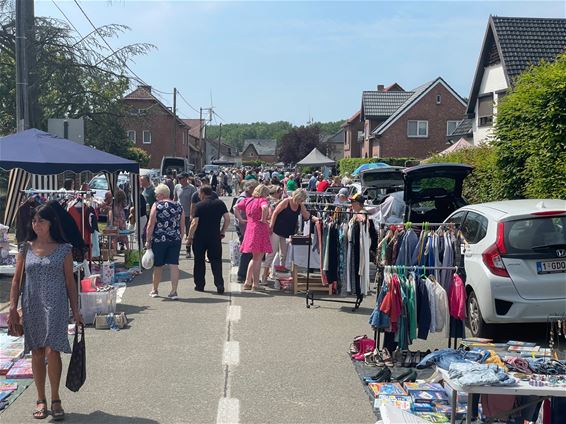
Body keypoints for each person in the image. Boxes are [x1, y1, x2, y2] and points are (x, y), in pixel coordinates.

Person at [7, 204, 84, 421]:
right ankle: (40, 398)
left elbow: (70, 282)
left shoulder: (64, 249)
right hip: (32, 304)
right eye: (34, 221)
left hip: (57, 304)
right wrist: (12, 307)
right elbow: (16, 280)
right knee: (37, 351)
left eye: (41, 220)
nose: (36, 224)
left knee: (53, 351)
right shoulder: (25, 248)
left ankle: (55, 397)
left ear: (51, 223)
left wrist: (76, 311)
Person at [187, 186, 230, 294]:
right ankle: (219, 284)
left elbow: (194, 223)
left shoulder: (199, 205)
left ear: (202, 193)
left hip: (200, 238)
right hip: (214, 237)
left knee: (199, 261)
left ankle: (200, 285)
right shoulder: (219, 203)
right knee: (216, 261)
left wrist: (189, 237)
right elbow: (227, 219)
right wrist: (222, 231)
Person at [145, 184, 184, 300]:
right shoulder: (178, 206)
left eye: (157, 195)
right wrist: (180, 237)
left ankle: (155, 290)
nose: (156, 197)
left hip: (159, 239)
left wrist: (148, 239)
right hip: (175, 239)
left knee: (158, 265)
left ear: (161, 195)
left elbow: (151, 224)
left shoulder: (157, 205)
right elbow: (182, 225)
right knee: (174, 265)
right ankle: (174, 291)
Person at [270, 188, 316, 271]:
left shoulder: (300, 205)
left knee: (283, 254)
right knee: (271, 253)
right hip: (276, 230)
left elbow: (306, 215)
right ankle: (265, 275)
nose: (302, 202)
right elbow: (275, 212)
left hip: (287, 232)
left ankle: (280, 272)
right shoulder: (286, 201)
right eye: (301, 200)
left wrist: (315, 218)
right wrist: (271, 226)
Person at [237, 184, 272, 290]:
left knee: (254, 258)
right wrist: (263, 218)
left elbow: (235, 207)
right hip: (259, 229)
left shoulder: (248, 200)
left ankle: (248, 282)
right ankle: (255, 284)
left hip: (250, 228)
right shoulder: (262, 200)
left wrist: (240, 219)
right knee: (258, 258)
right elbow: (265, 207)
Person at [233, 180, 258, 284]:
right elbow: (239, 212)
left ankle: (247, 275)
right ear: (250, 189)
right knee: (247, 252)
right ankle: (242, 275)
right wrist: (242, 221)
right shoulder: (243, 198)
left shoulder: (248, 197)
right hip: (244, 228)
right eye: (255, 188)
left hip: (246, 228)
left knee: (249, 253)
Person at [261, 185, 284, 285]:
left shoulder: (278, 201)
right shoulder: (270, 201)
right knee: (271, 253)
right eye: (279, 192)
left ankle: (272, 273)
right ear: (275, 192)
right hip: (272, 228)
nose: (281, 194)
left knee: (279, 253)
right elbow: (270, 214)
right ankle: (264, 275)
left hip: (279, 229)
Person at [174, 172, 197, 258]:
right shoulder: (177, 187)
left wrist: (193, 214)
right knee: (178, 232)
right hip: (178, 214)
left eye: (183, 179)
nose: (181, 181)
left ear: (186, 179)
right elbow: (175, 199)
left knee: (188, 233)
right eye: (179, 180)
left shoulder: (191, 188)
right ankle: (177, 249)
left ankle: (188, 250)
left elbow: (194, 202)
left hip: (188, 214)